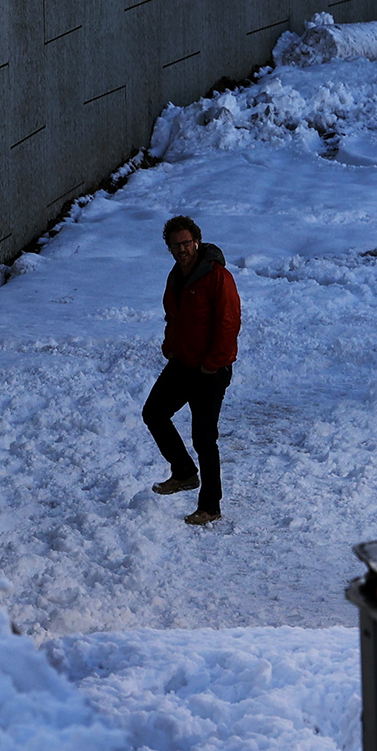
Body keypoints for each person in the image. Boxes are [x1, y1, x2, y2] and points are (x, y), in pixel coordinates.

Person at [143, 213, 240, 525]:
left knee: (203, 437)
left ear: (197, 242)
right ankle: (184, 472)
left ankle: (210, 506)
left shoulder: (217, 276)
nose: (182, 248)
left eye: (186, 242)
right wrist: (170, 344)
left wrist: (214, 364)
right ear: (170, 248)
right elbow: (175, 316)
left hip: (210, 369)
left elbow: (229, 323)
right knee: (154, 413)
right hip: (183, 363)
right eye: (176, 244)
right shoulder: (176, 276)